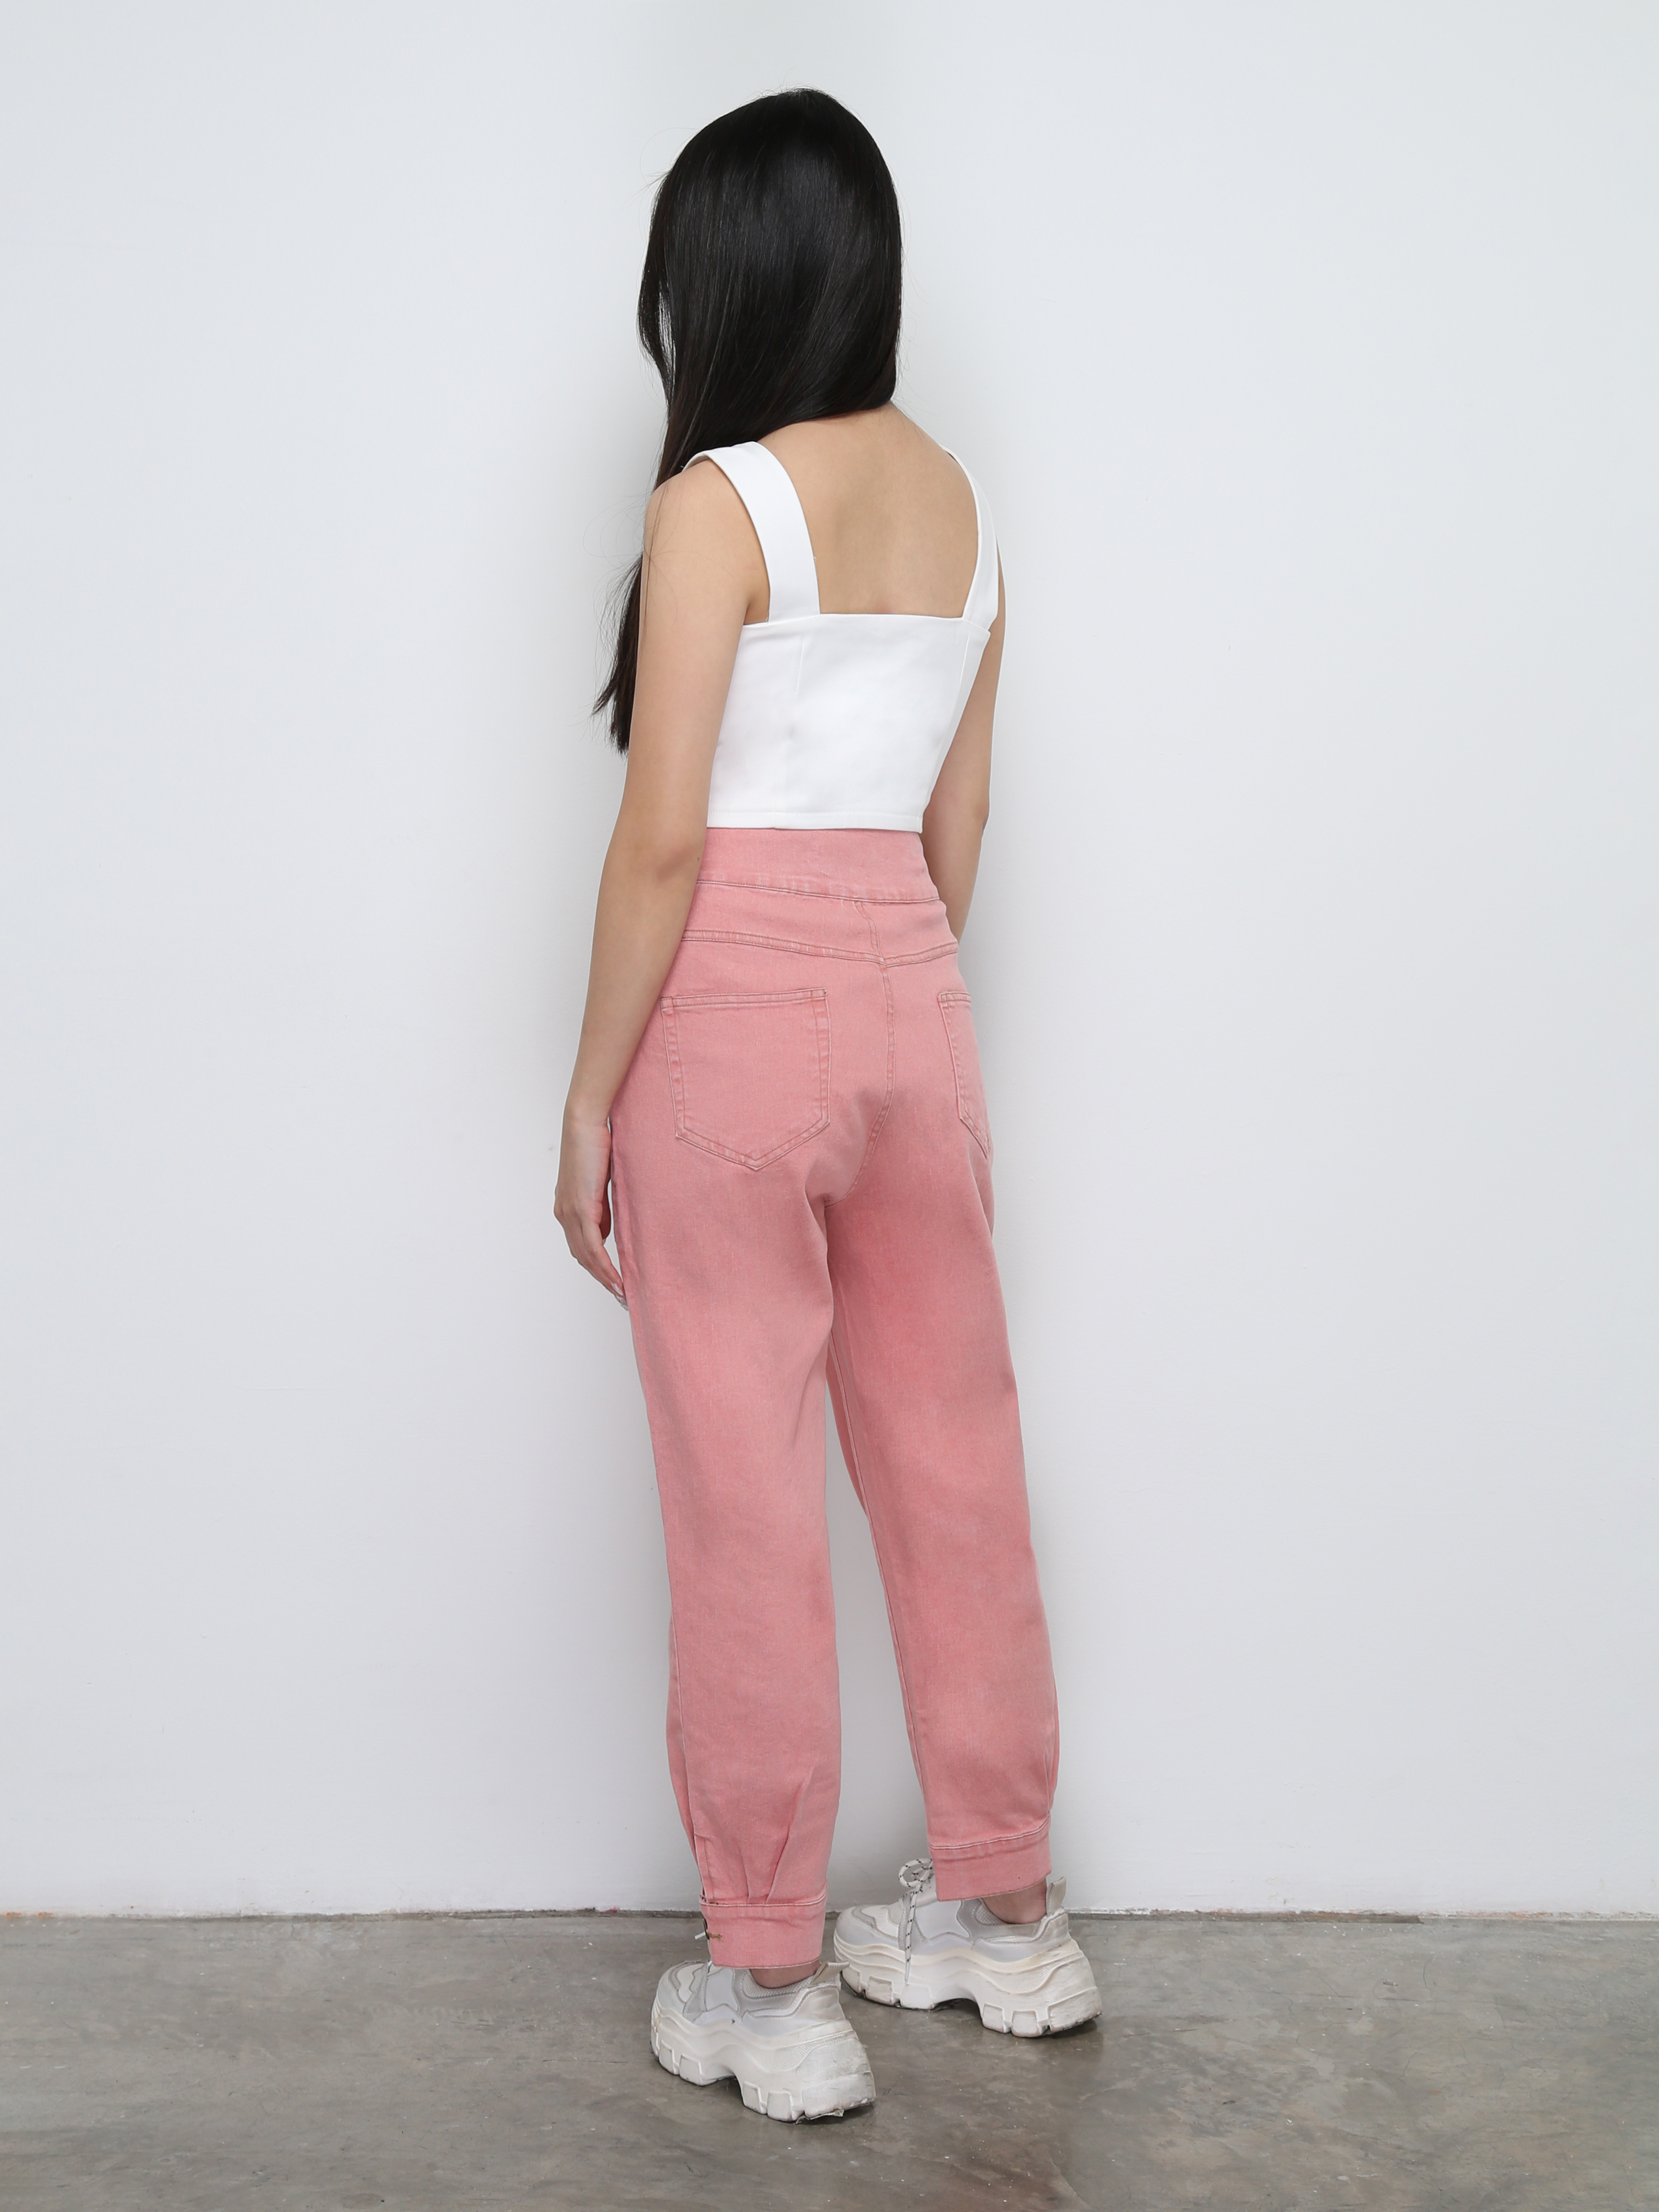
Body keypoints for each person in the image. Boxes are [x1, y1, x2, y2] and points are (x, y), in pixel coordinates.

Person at [554, 88, 1099, 2123]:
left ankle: (769, 1977)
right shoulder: (961, 504)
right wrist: (892, 994)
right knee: (953, 1449)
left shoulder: (715, 502)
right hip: (908, 986)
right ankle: (1005, 1915)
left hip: (733, 1007)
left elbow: (661, 843)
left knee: (744, 1481)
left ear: (722, 282)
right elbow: (963, 821)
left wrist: (590, 1096)